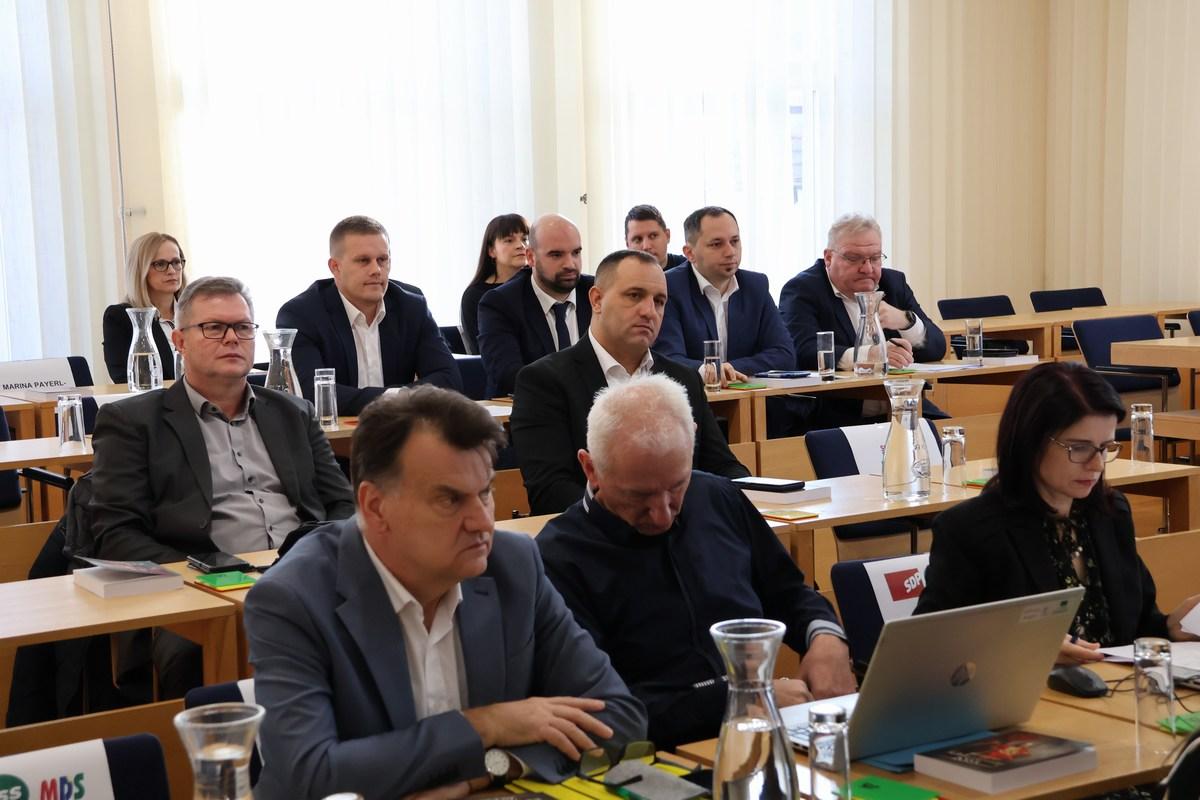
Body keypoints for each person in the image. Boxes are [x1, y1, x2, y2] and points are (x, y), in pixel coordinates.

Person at [245, 386, 646, 800]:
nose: (482, 522)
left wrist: (490, 768)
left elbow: (619, 717)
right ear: (376, 507)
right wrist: (485, 725)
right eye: (450, 500)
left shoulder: (513, 565)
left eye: (485, 493)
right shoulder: (293, 599)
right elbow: (308, 776)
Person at [536, 374, 855, 748]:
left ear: (693, 444)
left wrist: (825, 637)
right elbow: (600, 710)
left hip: (763, 732)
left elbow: (789, 593)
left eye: (676, 487)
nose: (662, 514)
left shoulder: (717, 496)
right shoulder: (558, 558)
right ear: (591, 469)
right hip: (657, 756)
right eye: (639, 496)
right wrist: (740, 699)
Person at [90, 276, 355, 696]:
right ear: (179, 341)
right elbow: (116, 534)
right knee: (203, 659)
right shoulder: (133, 422)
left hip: (306, 576)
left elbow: (343, 505)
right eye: (214, 328)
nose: (232, 338)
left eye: (243, 327)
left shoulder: (293, 413)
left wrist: (319, 558)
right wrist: (214, 575)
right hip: (200, 592)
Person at [915, 361, 1200, 664]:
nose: (1097, 465)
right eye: (1079, 448)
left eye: (1105, 447)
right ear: (1030, 442)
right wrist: (1024, 646)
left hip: (1114, 686)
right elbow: (930, 646)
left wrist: (1170, 626)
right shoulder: (971, 529)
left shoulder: (1110, 512)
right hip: (1030, 689)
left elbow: (1134, 627)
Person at [510, 249, 750, 516]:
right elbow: (550, 491)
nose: (649, 311)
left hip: (678, 527)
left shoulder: (683, 379)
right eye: (634, 296)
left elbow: (725, 468)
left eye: (659, 301)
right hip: (596, 535)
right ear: (597, 300)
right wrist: (641, 515)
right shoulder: (544, 382)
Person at [277, 215, 462, 416]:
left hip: (401, 430)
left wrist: (396, 399)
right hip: (333, 434)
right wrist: (399, 398)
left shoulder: (411, 306)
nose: (376, 270)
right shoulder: (302, 314)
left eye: (382, 260)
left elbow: (449, 380)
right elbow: (312, 393)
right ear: (335, 267)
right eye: (363, 261)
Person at [778, 213, 947, 425]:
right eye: (854, 258)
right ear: (829, 258)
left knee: (959, 434)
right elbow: (803, 351)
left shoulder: (893, 282)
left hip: (905, 409)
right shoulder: (803, 289)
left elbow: (937, 347)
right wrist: (868, 355)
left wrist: (906, 321)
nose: (867, 268)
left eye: (875, 258)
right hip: (839, 415)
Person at [654, 206, 794, 385]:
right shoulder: (669, 288)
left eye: (734, 241)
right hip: (693, 398)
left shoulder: (755, 285)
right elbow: (668, 359)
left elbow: (784, 354)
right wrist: (709, 372)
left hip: (750, 396)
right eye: (716, 244)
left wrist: (726, 370)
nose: (730, 252)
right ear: (690, 253)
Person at [477, 214, 595, 398]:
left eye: (576, 253)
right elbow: (508, 374)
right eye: (556, 255)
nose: (570, 264)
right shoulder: (500, 303)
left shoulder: (597, 293)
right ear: (531, 257)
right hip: (530, 408)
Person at [102, 232, 188, 382]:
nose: (172, 271)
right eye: (160, 264)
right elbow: (123, 379)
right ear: (140, 270)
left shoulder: (197, 314)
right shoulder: (121, 317)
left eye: (176, 262)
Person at [460, 213, 530, 355]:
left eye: (525, 239)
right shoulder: (475, 295)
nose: (521, 246)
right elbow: (482, 351)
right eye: (509, 240)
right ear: (492, 251)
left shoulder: (537, 285)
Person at [623, 204, 687, 270]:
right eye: (638, 239)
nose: (646, 246)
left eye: (653, 236)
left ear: (667, 236)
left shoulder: (689, 269)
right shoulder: (620, 274)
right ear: (627, 244)